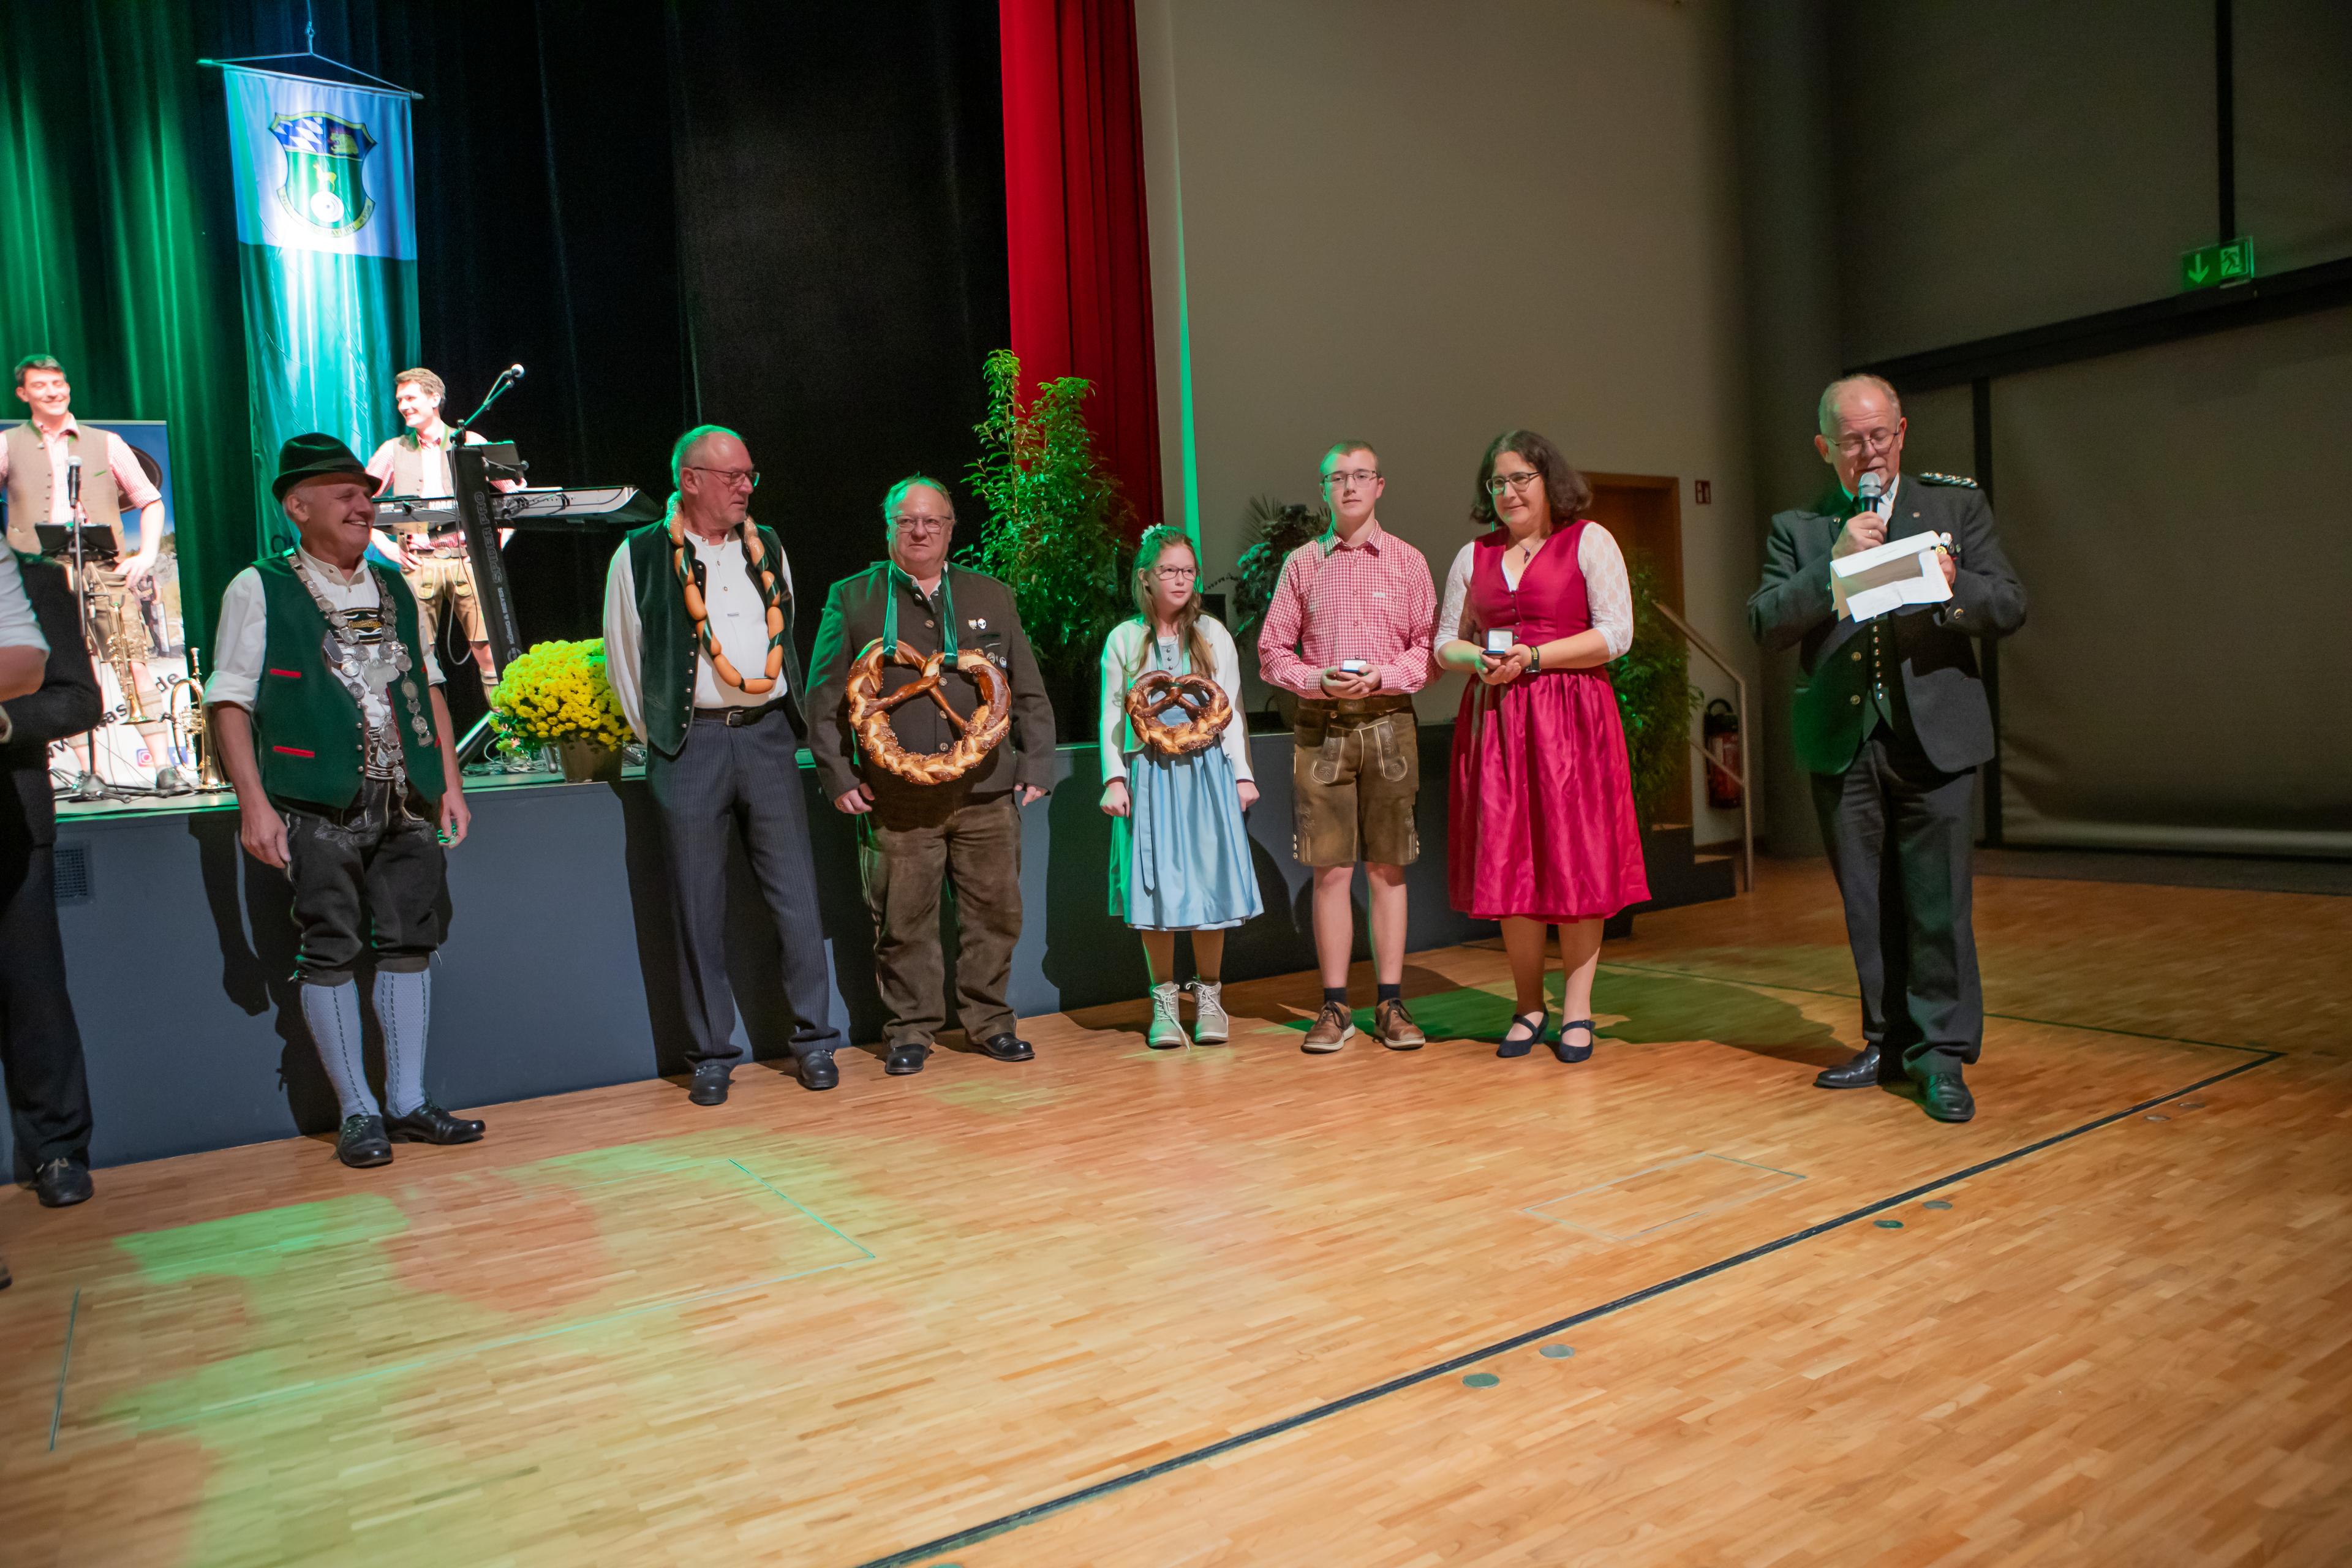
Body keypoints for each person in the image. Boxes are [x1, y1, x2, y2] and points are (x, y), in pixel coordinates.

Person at [1747, 374, 2026, 1123]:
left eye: (1879, 436)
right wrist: (1831, 564)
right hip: (1845, 741)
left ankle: (1941, 1056)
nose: (1868, 454)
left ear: (1901, 432)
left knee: (1938, 906)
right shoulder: (1802, 527)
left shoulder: (1954, 507)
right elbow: (1765, 621)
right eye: (1851, 441)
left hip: (1935, 737)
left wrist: (1955, 582)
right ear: (1824, 447)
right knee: (1867, 907)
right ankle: (1887, 1039)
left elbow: (2009, 604)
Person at [205, 434, 484, 1167]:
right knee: (329, 946)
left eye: (365, 493)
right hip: (317, 798)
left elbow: (430, 687)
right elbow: (229, 701)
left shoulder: (394, 585)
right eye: (346, 494)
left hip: (407, 795)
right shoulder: (259, 586)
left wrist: (450, 784)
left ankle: (407, 1101)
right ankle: (358, 1111)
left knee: (409, 939)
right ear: (298, 507)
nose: (364, 505)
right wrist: (254, 804)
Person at [601, 425, 845, 1102]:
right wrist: (668, 735)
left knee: (796, 894)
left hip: (767, 736)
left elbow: (784, 635)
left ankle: (815, 1040)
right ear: (690, 481)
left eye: (749, 475)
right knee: (696, 903)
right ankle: (711, 1052)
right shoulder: (640, 555)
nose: (746, 487)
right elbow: (626, 659)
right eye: (733, 476)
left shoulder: (768, 547)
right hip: (693, 743)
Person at [807, 475, 1055, 1072]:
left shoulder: (990, 594)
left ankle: (990, 1022)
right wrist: (839, 775)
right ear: (889, 527)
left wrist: (1037, 761)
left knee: (996, 915)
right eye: (907, 521)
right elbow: (823, 698)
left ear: (950, 529)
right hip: (898, 798)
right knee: (903, 921)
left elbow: (1025, 687)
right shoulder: (854, 598)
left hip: (986, 791)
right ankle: (910, 1031)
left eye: (932, 521)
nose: (920, 531)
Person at [1434, 431, 1648, 1060]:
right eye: (1497, 482)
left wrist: (1534, 657)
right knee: (1510, 861)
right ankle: (1528, 1005)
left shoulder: (1589, 540)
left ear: (1548, 480)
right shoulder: (1473, 556)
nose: (1508, 492)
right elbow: (1445, 642)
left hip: (1573, 718)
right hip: (1498, 721)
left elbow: (1617, 634)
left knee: (1575, 858)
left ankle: (1578, 1009)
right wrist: (1478, 659)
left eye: (1520, 478)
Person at [1256, 440, 1436, 1053]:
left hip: (1390, 723)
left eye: (1361, 476)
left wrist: (1385, 675)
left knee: (1388, 867)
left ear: (1380, 485)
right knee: (1330, 869)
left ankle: (1391, 1003)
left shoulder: (1409, 561)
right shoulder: (1303, 564)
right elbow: (1272, 650)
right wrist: (1316, 680)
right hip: (1323, 726)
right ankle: (1335, 1005)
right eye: (1338, 478)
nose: (1350, 487)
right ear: (1324, 490)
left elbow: (1428, 649)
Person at [1099, 525, 1262, 1047]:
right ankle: (1164, 1002)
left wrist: (1242, 775)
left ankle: (1209, 996)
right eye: (1169, 570)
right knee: (1156, 888)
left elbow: (1230, 709)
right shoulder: (1125, 639)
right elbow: (1111, 715)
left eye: (1188, 571)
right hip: (1149, 773)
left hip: (1207, 770)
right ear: (1146, 577)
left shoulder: (1212, 634)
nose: (1180, 579)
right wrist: (1115, 778)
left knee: (1210, 881)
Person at [3, 353, 175, 774]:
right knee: (58, 668)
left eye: (58, 383)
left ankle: (164, 766)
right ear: (23, 394)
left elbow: (150, 500)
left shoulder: (106, 442)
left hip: (101, 566)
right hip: (40, 574)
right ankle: (87, 770)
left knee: (132, 660)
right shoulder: (8, 444)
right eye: (40, 385)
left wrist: (145, 555)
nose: (52, 392)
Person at [2, 547, 98, 1226]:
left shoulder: (33, 578)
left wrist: (8, 722)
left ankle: (58, 1150)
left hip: (11, 819)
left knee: (33, 995)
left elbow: (78, 695)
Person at [366, 367, 501, 699]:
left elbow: (516, 497)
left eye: (410, 398)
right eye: (400, 400)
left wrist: (495, 542)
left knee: (489, 652)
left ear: (434, 398)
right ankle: (428, 729)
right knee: (416, 655)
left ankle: (508, 730)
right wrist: (384, 546)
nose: (403, 406)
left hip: (466, 560)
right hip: (418, 564)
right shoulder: (393, 449)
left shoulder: (470, 442)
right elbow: (358, 502)